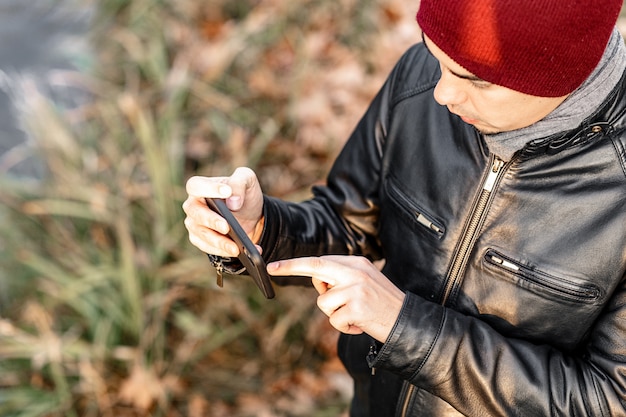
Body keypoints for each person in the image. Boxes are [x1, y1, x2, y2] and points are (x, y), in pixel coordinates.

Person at [183, 0, 626, 415]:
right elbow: (351, 221)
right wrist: (261, 227)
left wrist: (404, 326)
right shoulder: (422, 77)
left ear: (559, 70)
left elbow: (606, 401)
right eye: (436, 56)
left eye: (475, 79)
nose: (441, 94)